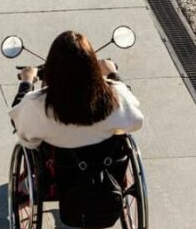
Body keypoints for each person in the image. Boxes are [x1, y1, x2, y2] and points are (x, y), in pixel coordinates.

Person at [9, 30, 143, 149]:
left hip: (56, 171)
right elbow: (135, 120)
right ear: (93, 68)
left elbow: (18, 121)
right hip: (106, 170)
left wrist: (26, 82)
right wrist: (113, 73)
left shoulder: (37, 104)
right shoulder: (116, 97)